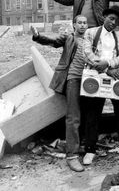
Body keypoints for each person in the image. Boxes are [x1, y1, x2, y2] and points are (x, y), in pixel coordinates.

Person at [31, 15, 88, 172]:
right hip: (72, 80)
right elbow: (53, 41)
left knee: (85, 114)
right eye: (80, 23)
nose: (83, 25)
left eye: (85, 23)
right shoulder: (69, 38)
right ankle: (72, 155)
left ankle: (80, 145)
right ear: (74, 25)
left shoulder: (91, 40)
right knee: (73, 116)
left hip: (88, 82)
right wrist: (37, 36)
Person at [82, 5, 119, 165]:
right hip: (96, 75)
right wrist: (106, 69)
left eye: (117, 21)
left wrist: (110, 65)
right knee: (93, 113)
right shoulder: (91, 32)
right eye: (111, 18)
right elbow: (86, 53)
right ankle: (90, 150)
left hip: (116, 74)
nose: (113, 23)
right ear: (104, 17)